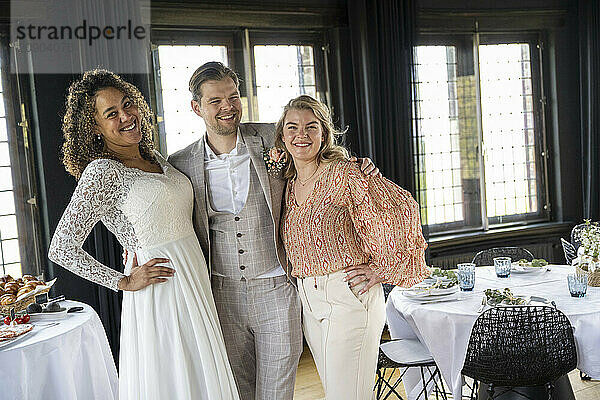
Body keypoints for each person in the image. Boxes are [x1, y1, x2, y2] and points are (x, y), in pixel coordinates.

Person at [168, 61, 380, 400]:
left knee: (278, 389)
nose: (228, 107)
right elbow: (165, 212)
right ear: (196, 107)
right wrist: (138, 245)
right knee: (239, 389)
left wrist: (358, 164)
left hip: (277, 288)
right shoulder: (179, 163)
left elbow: (316, 145)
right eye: (215, 101)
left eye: (234, 97)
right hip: (222, 295)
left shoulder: (273, 136)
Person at [48, 69, 239, 400]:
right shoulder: (102, 172)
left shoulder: (154, 158)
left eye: (127, 104)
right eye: (111, 114)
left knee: (201, 375)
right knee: (176, 379)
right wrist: (123, 282)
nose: (125, 116)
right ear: (94, 127)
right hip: (161, 291)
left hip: (194, 280)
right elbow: (61, 248)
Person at [275, 95, 430, 400]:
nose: (301, 135)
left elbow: (399, 209)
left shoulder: (346, 172)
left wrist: (381, 268)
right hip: (308, 299)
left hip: (347, 294)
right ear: (281, 136)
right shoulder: (286, 180)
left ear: (325, 133)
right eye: (292, 127)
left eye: (311, 127)